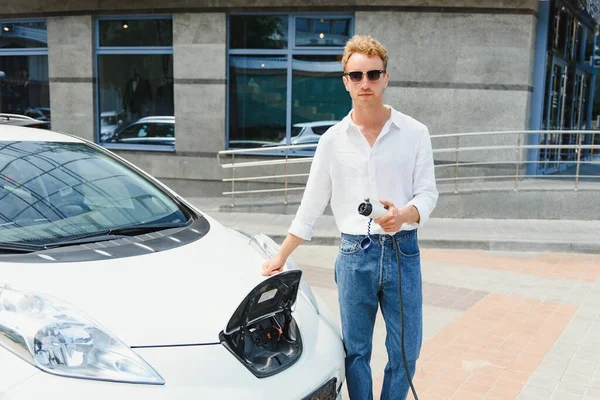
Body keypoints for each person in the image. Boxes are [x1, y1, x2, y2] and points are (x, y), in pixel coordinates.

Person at [262, 35, 438, 399]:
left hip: (403, 251)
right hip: (355, 254)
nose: (365, 83)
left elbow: (428, 193)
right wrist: (280, 256)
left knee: (406, 351)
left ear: (386, 78)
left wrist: (405, 213)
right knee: (356, 351)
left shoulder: (415, 133)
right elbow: (311, 206)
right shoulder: (332, 141)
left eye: (373, 75)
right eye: (356, 76)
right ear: (345, 81)